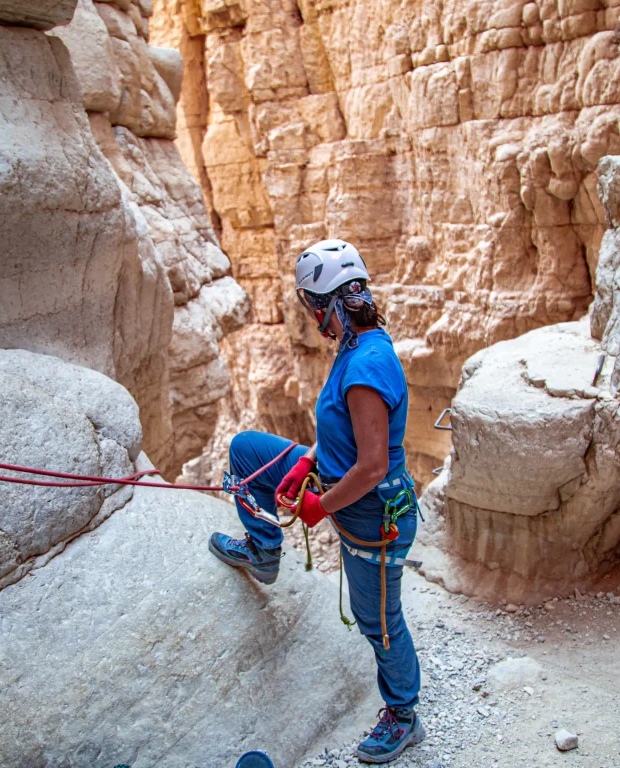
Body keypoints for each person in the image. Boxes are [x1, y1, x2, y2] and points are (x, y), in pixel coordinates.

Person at [209, 239, 424, 764]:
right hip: (333, 479)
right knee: (246, 450)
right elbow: (340, 436)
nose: (311, 318)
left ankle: (404, 715)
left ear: (326, 304)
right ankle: (263, 550)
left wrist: (319, 506)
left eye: (311, 306)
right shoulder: (355, 346)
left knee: (377, 620)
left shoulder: (366, 366)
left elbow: (371, 466)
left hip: (372, 514)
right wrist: (306, 460)